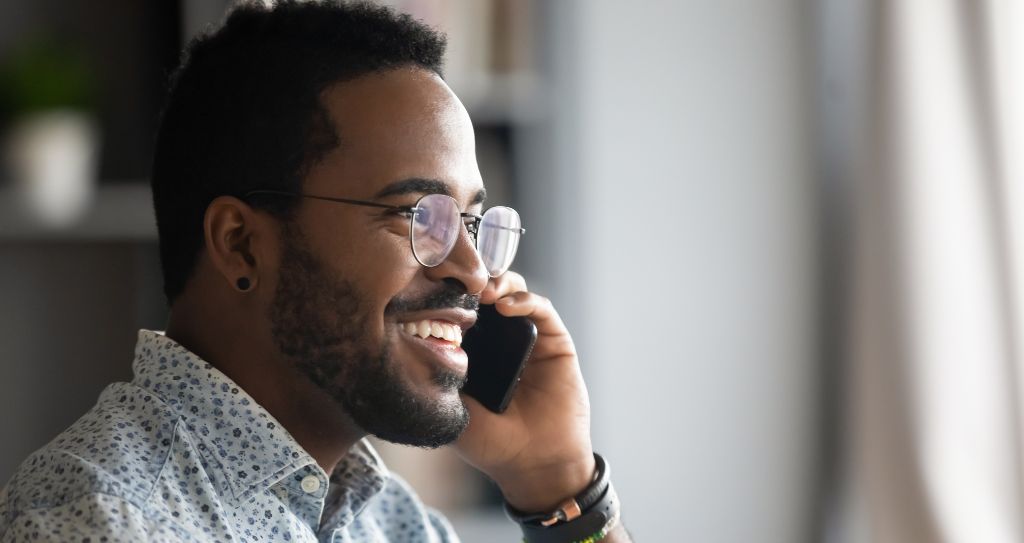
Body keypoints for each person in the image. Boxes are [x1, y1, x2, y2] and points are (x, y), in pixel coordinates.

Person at [0, 2, 629, 542]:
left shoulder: (387, 520)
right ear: (241, 245)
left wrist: (557, 487)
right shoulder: (104, 524)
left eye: (471, 223)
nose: (473, 273)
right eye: (418, 216)